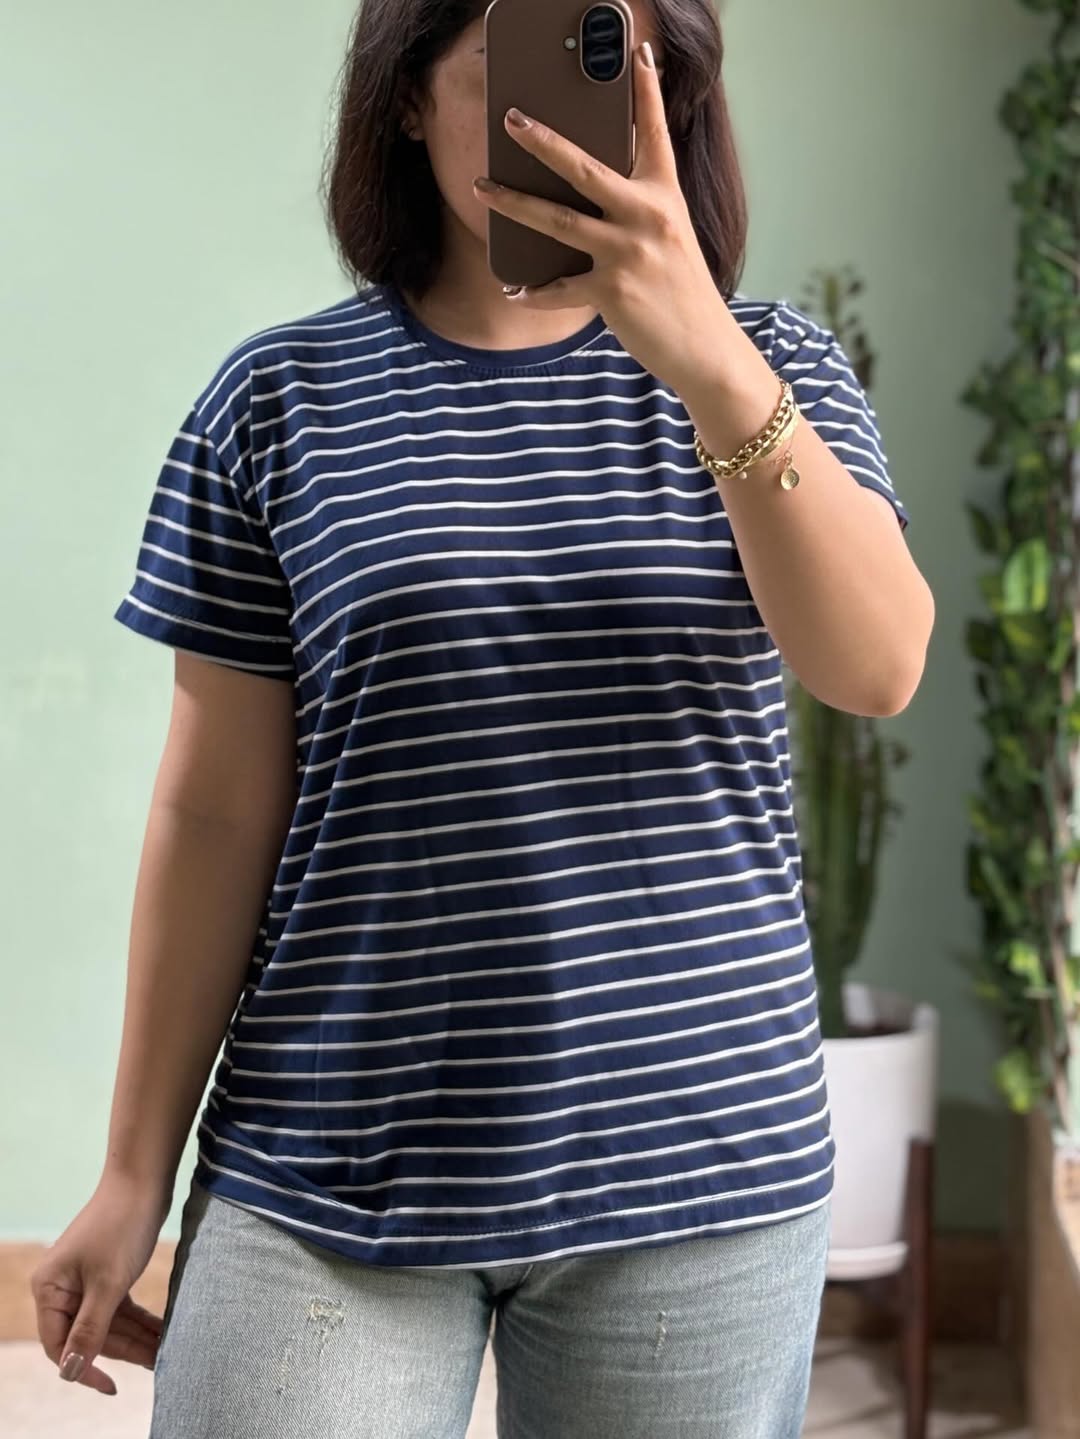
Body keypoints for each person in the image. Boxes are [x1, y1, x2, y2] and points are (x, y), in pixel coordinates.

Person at [31, 1, 935, 1434]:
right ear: (405, 94)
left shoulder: (775, 368)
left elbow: (876, 666)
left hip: (695, 1174)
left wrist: (705, 360)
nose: (579, 109)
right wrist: (133, 1171)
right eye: (527, 55)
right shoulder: (276, 402)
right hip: (329, 1163)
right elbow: (212, 813)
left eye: (622, 59)